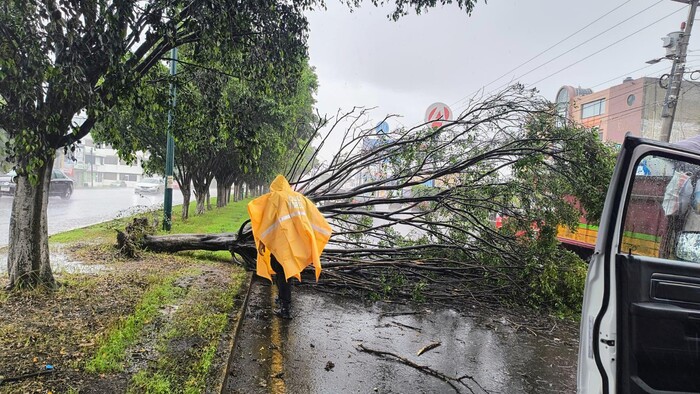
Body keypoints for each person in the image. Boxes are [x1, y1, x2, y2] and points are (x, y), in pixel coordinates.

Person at [247, 175, 332, 319]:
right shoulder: (298, 197)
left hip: (281, 243)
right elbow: (312, 216)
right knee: (284, 270)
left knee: (283, 273)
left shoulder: (276, 198)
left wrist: (262, 242)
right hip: (294, 242)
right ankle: (282, 298)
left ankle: (285, 308)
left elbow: (268, 221)